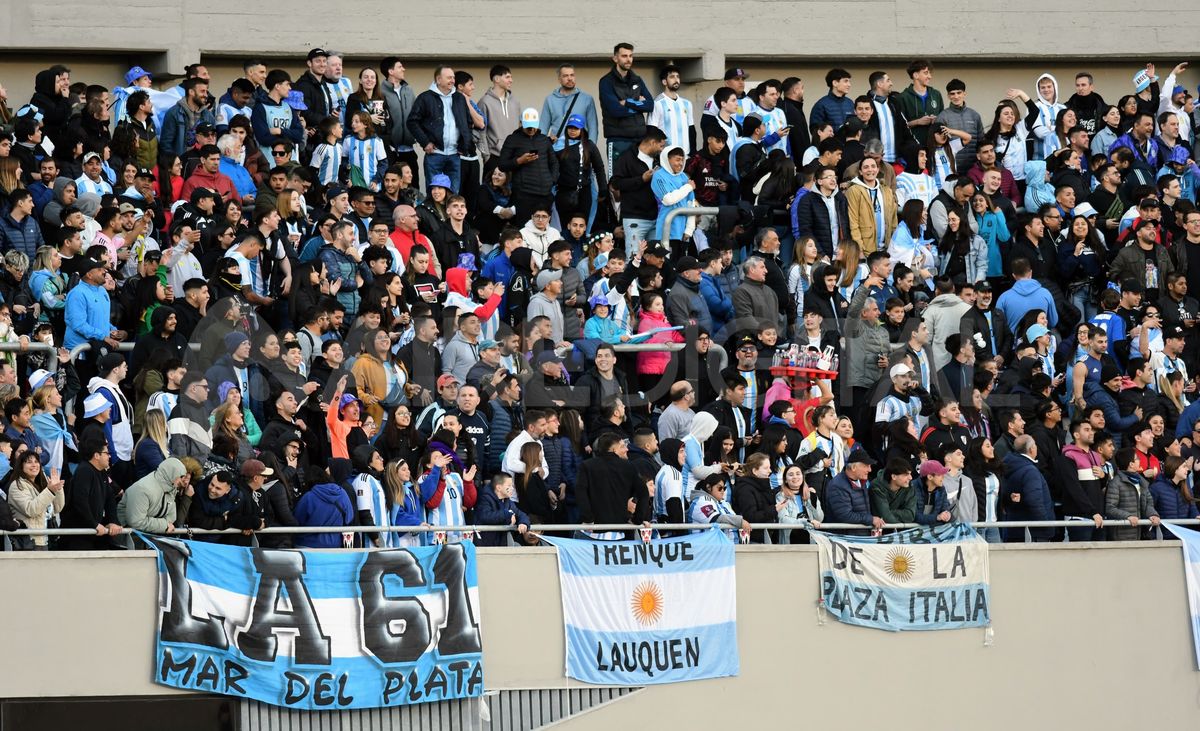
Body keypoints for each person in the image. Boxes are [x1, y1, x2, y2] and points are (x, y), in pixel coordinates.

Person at [1001, 434, 1055, 541]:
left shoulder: (1011, 466)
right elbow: (1034, 501)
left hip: (1017, 530)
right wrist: (1046, 525)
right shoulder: (1030, 471)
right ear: (1031, 449)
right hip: (1033, 533)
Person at [1106, 446, 1162, 540]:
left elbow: (1149, 503)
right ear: (1131, 464)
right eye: (1137, 459)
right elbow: (1110, 508)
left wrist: (1152, 514)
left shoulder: (1141, 481)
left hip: (1141, 533)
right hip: (1122, 535)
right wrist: (1128, 516)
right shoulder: (1115, 483)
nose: (1139, 460)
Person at [825, 451, 884, 532]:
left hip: (860, 537)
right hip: (845, 540)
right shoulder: (838, 485)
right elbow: (845, 515)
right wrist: (871, 519)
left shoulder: (861, 481)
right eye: (866, 466)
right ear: (853, 468)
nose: (870, 470)